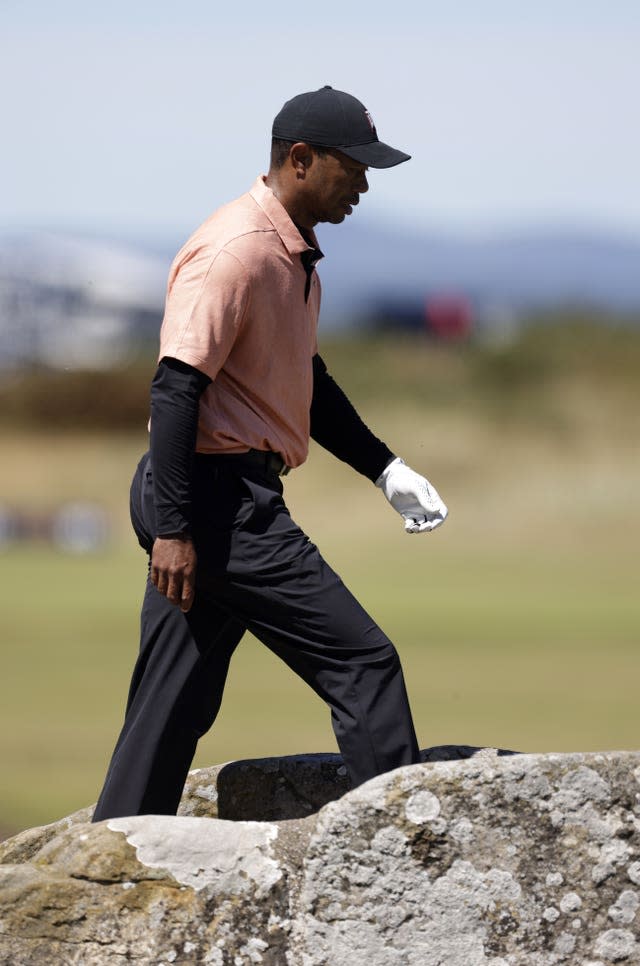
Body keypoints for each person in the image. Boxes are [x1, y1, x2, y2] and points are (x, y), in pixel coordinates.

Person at [92, 86, 448, 822]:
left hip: (215, 499)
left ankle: (111, 852)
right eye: (354, 167)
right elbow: (174, 390)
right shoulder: (238, 251)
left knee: (171, 701)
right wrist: (175, 528)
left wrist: (385, 467)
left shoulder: (293, 255)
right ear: (301, 159)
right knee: (363, 664)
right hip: (215, 505)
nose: (365, 184)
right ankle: (406, 859)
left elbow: (304, 382)